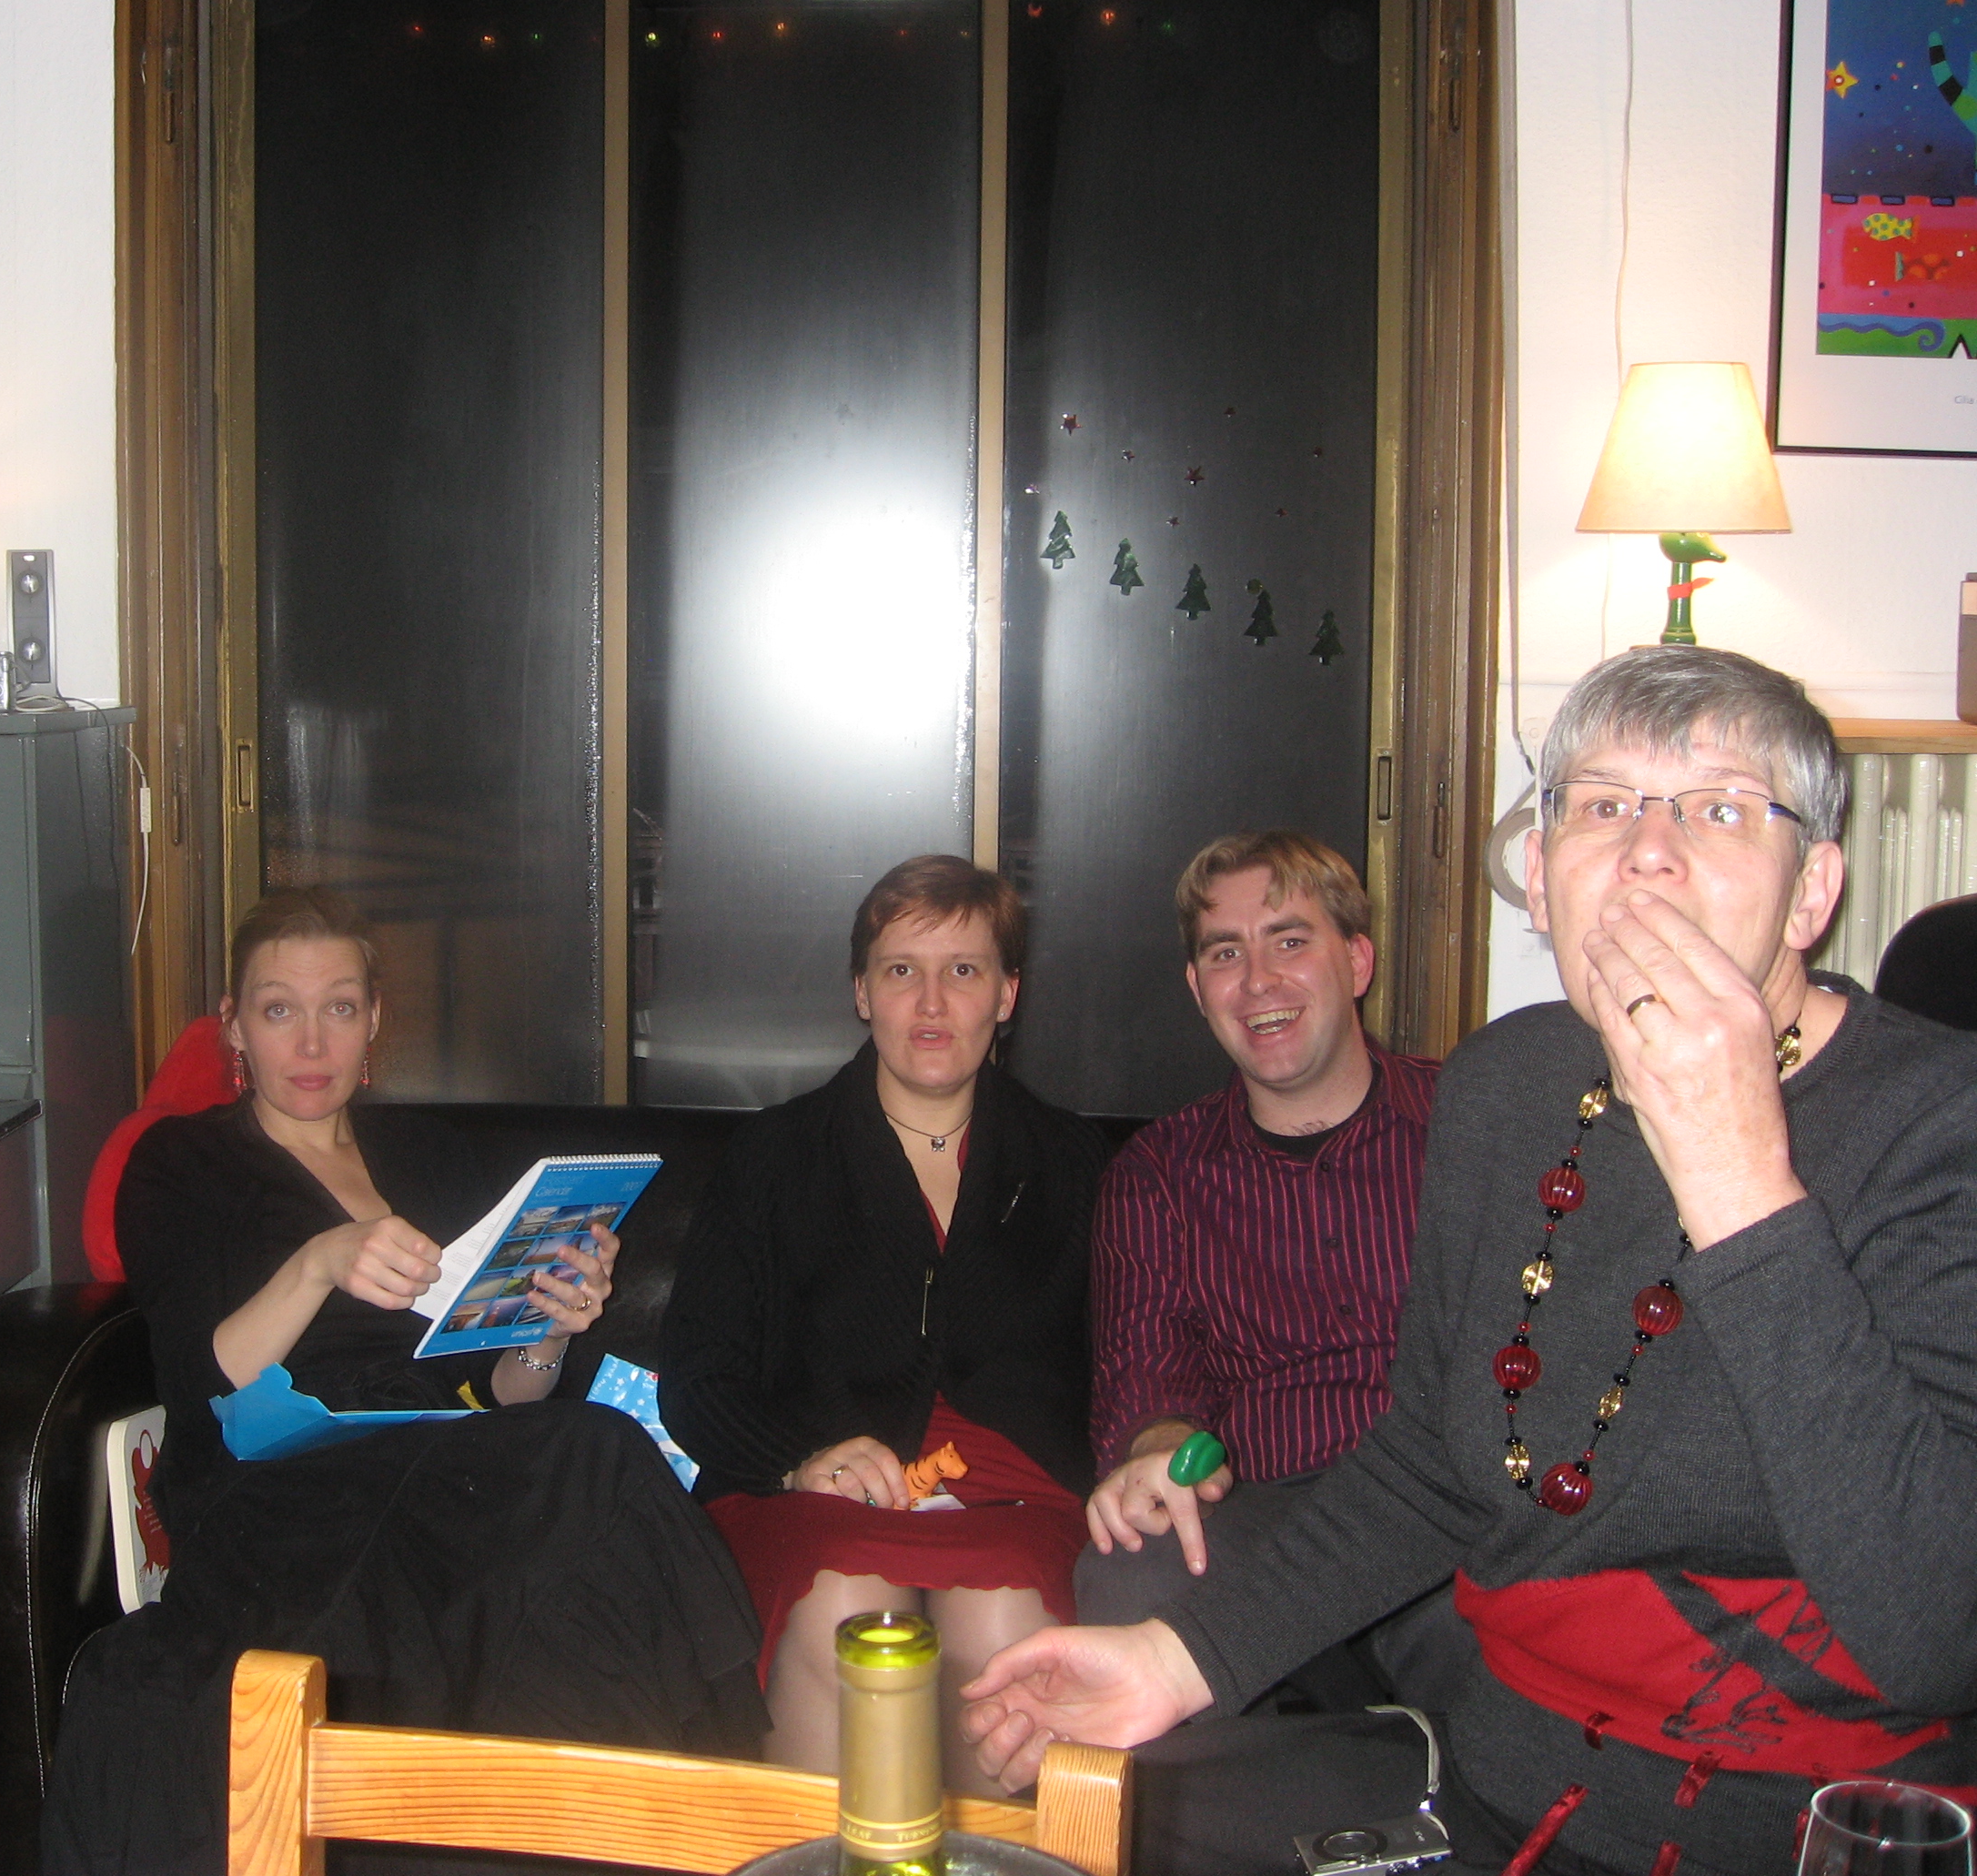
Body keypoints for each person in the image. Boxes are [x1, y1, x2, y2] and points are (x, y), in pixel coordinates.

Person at [961, 647, 1977, 1876]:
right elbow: (1433, 1465)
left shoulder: (1939, 1122)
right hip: (1499, 1783)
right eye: (1602, 805)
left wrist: (1740, 1180)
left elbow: (1939, 1632)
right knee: (1100, 1830)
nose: (1648, 853)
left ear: (1810, 892)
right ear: (1539, 881)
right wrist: (1172, 1662)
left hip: (1799, 1826)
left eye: (1717, 809)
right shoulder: (1506, 1086)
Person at [48, 889, 766, 1876]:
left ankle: (609, 1832)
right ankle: (716, 1807)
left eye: (339, 1007)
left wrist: (548, 1328)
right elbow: (202, 1378)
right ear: (234, 1026)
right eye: (278, 1009)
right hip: (278, 1497)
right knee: (594, 1456)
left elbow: (501, 1396)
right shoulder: (182, 1164)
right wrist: (318, 1264)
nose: (312, 1042)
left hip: (446, 1472)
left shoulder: (429, 1156)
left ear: (374, 1019)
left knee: (582, 1480)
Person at [661, 854, 1108, 1790]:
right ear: (862, 993)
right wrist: (797, 1459)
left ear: (1007, 994)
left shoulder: (1077, 1165)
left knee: (1004, 1625)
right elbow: (697, 1382)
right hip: (811, 1498)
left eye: (964, 970)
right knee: (855, 1614)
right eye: (902, 969)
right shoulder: (772, 1157)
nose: (931, 1002)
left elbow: (1130, 1365)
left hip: (1019, 1498)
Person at [1075, 832, 1438, 1642]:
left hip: (1448, 1506)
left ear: (1358, 962)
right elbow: (1149, 1383)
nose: (1258, 980)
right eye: (1225, 954)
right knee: (1127, 1574)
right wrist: (1164, 1456)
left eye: (1290, 941)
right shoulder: (1157, 1173)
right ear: (1198, 990)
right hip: (1263, 1515)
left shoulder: (1468, 1121)